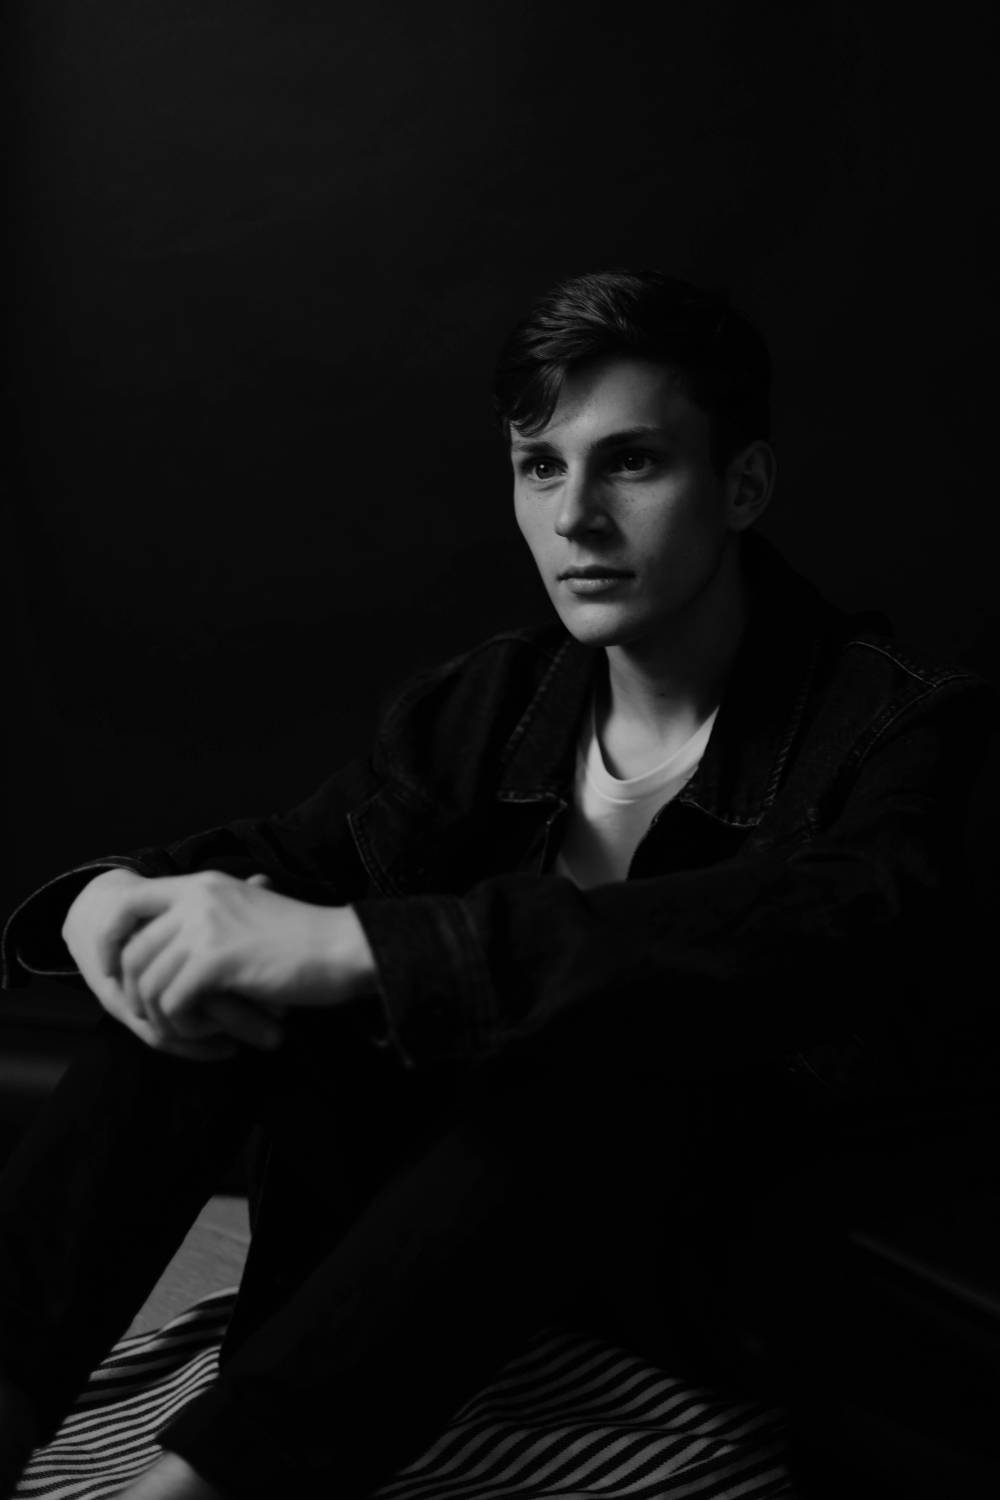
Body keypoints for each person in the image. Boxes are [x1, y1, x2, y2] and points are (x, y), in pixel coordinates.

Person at [0, 269, 994, 1499]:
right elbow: (295, 855)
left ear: (742, 486)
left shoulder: (898, 723)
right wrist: (108, 901)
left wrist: (365, 950)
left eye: (631, 463)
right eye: (539, 467)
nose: (575, 517)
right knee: (190, 982)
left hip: (712, 1250)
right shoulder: (492, 702)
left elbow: (826, 930)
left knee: (609, 1051)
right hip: (455, 1229)